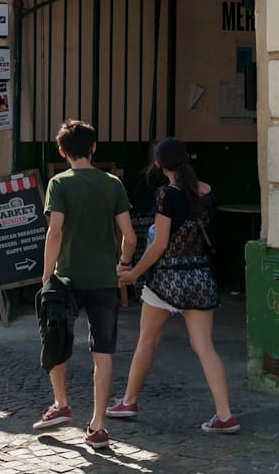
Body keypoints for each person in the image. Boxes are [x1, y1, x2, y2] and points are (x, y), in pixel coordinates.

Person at [112, 138, 239, 434]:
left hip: (167, 279)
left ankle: (128, 401)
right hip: (200, 277)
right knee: (204, 346)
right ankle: (225, 415)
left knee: (147, 340)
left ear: (159, 164)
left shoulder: (165, 194)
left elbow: (159, 244)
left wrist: (134, 273)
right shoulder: (206, 191)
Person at [33, 119, 137, 450]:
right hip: (104, 279)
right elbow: (130, 237)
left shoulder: (59, 184)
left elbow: (55, 231)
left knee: (56, 336)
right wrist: (123, 264)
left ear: (62, 152)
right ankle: (98, 425)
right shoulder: (112, 184)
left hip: (66, 277)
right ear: (93, 147)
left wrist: (47, 273)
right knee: (102, 351)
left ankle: (61, 403)